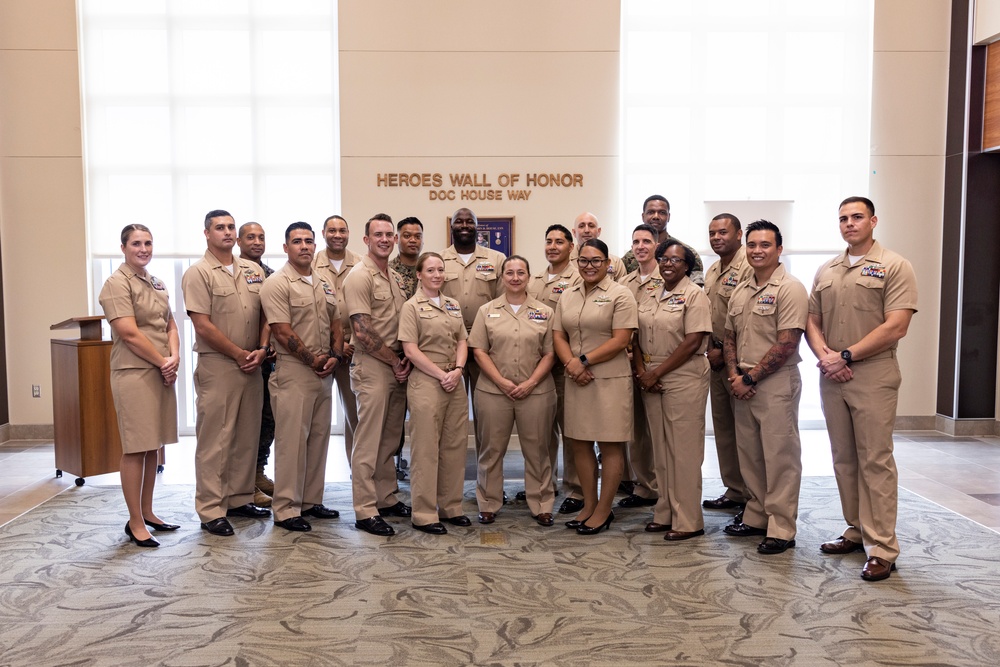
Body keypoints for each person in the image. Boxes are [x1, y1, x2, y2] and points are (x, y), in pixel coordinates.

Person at [805, 196, 917, 582]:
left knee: (876, 461)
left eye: (857, 217)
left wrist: (846, 356)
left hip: (872, 373)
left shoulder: (894, 266)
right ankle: (855, 530)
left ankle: (882, 546)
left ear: (873, 221)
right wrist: (826, 356)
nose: (849, 223)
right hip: (832, 374)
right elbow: (812, 321)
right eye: (843, 218)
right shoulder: (827, 269)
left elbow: (896, 326)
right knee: (844, 459)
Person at [182, 210, 270, 537]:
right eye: (220, 227)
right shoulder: (199, 273)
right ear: (207, 233)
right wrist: (238, 353)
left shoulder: (253, 269)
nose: (228, 232)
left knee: (247, 436)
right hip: (219, 365)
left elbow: (267, 314)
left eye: (231, 227)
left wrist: (261, 348)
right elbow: (202, 325)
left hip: (252, 364)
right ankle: (210, 508)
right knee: (215, 440)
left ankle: (239, 497)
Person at [722, 220, 807, 555]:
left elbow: (787, 342)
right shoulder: (741, 290)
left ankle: (782, 527)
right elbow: (729, 336)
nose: (757, 251)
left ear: (779, 249)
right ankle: (756, 515)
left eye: (765, 245)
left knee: (780, 457)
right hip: (742, 381)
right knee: (751, 457)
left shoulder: (790, 288)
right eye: (752, 245)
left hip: (774, 383)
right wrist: (734, 375)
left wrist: (750, 378)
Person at [98, 224, 180, 548]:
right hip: (134, 372)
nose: (143, 249)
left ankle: (148, 511)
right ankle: (134, 522)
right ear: (123, 247)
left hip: (161, 369)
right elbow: (129, 333)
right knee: (135, 447)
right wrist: (164, 362)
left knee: (151, 445)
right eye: (136, 244)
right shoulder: (116, 284)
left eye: (147, 243)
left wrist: (173, 356)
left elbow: (170, 322)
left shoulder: (155, 281)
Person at [259, 222, 343, 532]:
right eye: (297, 241)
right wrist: (312, 359)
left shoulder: (323, 281)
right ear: (286, 247)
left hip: (323, 372)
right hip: (294, 371)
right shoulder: (276, 283)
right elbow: (281, 330)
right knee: (292, 442)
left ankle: (310, 500)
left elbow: (337, 322)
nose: (304, 246)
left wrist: (334, 356)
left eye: (309, 241)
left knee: (318, 439)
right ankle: (286, 509)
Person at [553, 239, 638, 535]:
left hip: (609, 379)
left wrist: (584, 361)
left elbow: (621, 339)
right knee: (579, 442)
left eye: (596, 261)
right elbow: (558, 334)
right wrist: (572, 365)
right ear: (577, 262)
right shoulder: (568, 294)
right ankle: (588, 505)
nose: (590, 266)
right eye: (584, 261)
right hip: (577, 378)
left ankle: (604, 510)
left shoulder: (621, 294)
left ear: (607, 263)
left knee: (610, 443)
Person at [469, 256, 558, 526]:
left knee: (538, 450)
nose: (515, 277)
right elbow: (479, 351)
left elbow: (551, 353)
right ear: (502, 277)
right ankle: (488, 502)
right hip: (494, 392)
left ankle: (542, 503)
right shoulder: (486, 311)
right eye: (510, 273)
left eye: (521, 272)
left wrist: (530, 382)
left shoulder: (545, 312)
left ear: (529, 277)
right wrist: (502, 381)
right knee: (491, 450)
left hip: (537, 391)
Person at [633, 239, 712, 540]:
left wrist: (656, 373)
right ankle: (665, 511)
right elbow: (635, 335)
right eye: (663, 258)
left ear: (687, 266)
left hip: (683, 375)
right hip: (651, 375)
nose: (668, 264)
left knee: (684, 452)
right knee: (661, 451)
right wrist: (642, 371)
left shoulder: (694, 295)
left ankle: (689, 520)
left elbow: (693, 341)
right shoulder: (651, 293)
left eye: (675, 260)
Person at [343, 214, 412, 537]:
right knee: (368, 441)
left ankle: (386, 497)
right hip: (373, 365)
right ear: (366, 240)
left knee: (389, 439)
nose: (385, 239)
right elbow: (363, 331)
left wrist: (401, 360)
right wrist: (394, 360)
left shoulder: (394, 277)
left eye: (389, 234)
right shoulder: (360, 276)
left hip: (395, 365)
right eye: (378, 235)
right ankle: (365, 509)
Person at [398, 252, 471, 534]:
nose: (437, 275)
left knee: (454, 447)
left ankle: (451, 506)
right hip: (428, 381)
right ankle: (425, 513)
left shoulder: (452, 305)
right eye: (430, 270)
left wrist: (459, 370)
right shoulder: (411, 307)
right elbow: (410, 350)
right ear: (419, 274)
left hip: (454, 379)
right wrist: (442, 375)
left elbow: (462, 340)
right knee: (426, 450)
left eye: (441, 270)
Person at [440, 207, 506, 454]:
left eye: (470, 221)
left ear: (478, 227)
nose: (464, 225)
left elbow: (503, 303)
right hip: (448, 346)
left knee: (487, 416)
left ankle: (487, 483)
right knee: (451, 416)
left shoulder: (496, 259)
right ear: (452, 226)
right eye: (459, 221)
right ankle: (449, 484)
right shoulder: (438, 260)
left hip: (484, 348)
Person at [527, 224, 583, 514]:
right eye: (548, 241)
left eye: (559, 242)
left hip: (567, 367)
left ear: (571, 246)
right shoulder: (533, 280)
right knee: (542, 433)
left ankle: (576, 487)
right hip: (538, 368)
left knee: (571, 430)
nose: (552, 246)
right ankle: (542, 486)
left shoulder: (578, 278)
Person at [702, 213, 753, 515]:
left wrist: (725, 353)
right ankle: (735, 490)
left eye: (723, 232)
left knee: (745, 433)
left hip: (739, 363)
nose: (717, 237)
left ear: (738, 234)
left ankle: (753, 497)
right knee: (724, 430)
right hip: (715, 361)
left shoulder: (748, 265)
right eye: (712, 233)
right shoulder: (712, 270)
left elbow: (745, 318)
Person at [616, 224, 662, 510]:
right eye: (636, 242)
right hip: (631, 364)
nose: (641, 246)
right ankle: (645, 486)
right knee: (638, 431)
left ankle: (664, 485)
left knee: (659, 430)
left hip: (659, 364)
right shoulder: (626, 284)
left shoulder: (667, 278)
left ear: (656, 244)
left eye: (646, 241)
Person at [312, 215, 361, 466]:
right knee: (316, 416)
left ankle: (358, 473)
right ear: (323, 233)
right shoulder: (310, 263)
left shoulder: (361, 264)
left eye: (342, 230)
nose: (337, 235)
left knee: (356, 415)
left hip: (353, 350)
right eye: (332, 230)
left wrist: (349, 342)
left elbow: (368, 309)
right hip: (319, 350)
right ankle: (311, 480)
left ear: (349, 232)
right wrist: (335, 345)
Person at [236, 221, 276, 508]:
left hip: (269, 361)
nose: (257, 242)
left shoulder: (270, 274)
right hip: (240, 359)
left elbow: (276, 314)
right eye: (251, 237)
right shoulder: (233, 271)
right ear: (239, 241)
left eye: (261, 237)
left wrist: (269, 345)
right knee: (244, 425)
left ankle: (259, 471)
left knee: (267, 420)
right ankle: (243, 481)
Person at [622, 195, 704, 285]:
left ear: (668, 217)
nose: (656, 216)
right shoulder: (630, 257)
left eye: (662, 213)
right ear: (643, 216)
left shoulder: (686, 253)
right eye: (650, 212)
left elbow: (696, 289)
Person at [569, 212, 627, 281]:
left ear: (598, 231)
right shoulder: (565, 261)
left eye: (591, 226)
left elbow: (622, 288)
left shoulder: (615, 262)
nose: (587, 230)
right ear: (574, 232)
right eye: (581, 226)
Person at [389, 216, 424, 299]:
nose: (413, 240)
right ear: (396, 239)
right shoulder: (388, 271)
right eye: (407, 236)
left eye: (417, 237)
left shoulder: (429, 270)